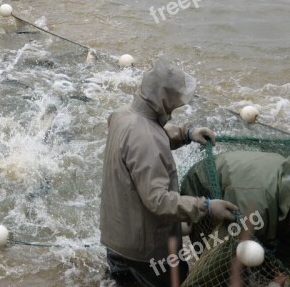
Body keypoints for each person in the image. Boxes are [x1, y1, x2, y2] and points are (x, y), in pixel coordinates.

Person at [99, 58, 238, 287]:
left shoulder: (121, 115)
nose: (177, 106)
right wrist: (205, 206)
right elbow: (159, 201)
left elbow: (144, 136)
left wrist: (185, 133)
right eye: (175, 101)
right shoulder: (146, 140)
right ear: (164, 100)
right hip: (144, 254)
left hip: (115, 238)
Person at [182, 150, 290, 263]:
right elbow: (221, 256)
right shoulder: (254, 210)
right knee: (223, 255)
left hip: (247, 183)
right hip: (204, 182)